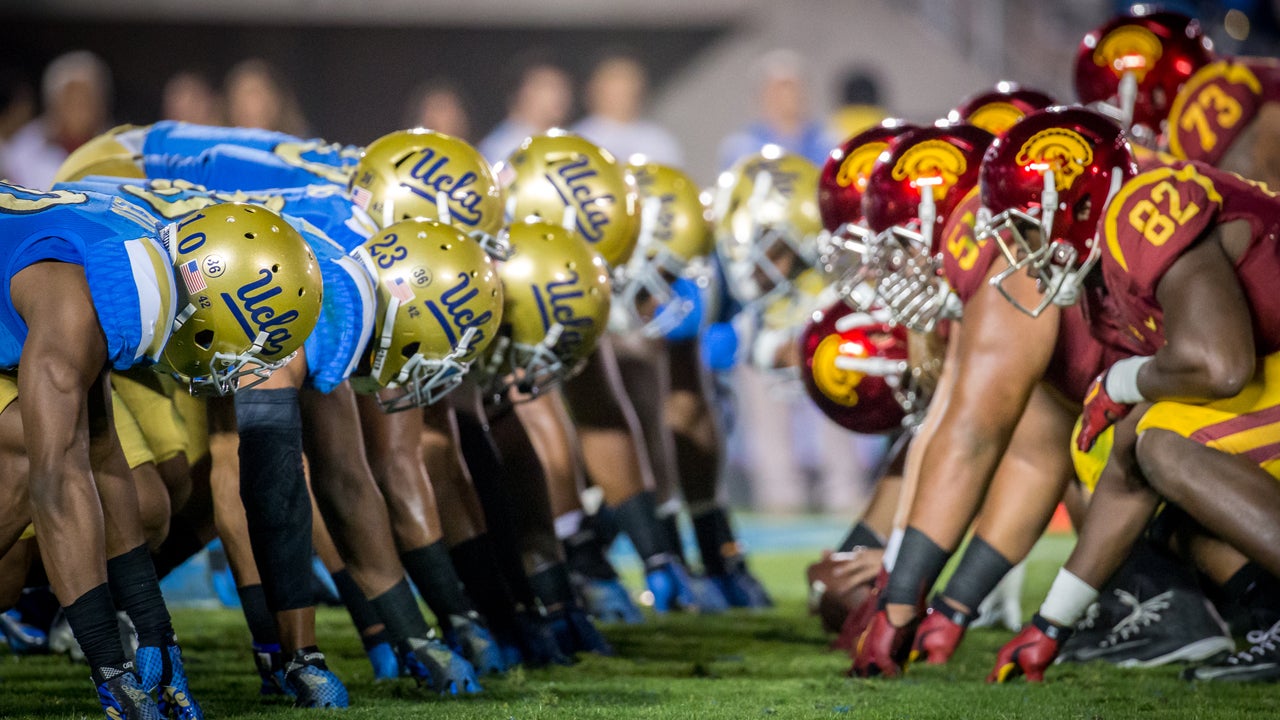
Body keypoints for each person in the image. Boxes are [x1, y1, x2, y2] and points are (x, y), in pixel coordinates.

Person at [979, 106, 1280, 683]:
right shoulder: (1106, 280)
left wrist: (1117, 382)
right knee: (1145, 447)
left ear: (1079, 204)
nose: (1021, 252)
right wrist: (1050, 625)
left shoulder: (1137, 211)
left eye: (1026, 228)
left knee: (1162, 441)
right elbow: (1126, 472)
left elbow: (1220, 367)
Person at [0, 185, 320, 719]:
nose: (234, 366)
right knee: (30, 458)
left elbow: (101, 451)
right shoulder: (76, 301)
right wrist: (111, 669)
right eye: (240, 342)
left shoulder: (131, 271)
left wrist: (155, 632)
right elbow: (59, 481)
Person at [3, 50, 112, 189]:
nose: (78, 106)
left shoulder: (118, 148)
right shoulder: (24, 148)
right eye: (70, 98)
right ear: (52, 102)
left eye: (86, 98)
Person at [718, 50, 834, 170]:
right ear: (761, 96)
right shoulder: (741, 149)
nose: (787, 96)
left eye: (793, 88)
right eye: (777, 90)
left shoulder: (828, 144)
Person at [572, 53, 681, 165]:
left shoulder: (659, 140)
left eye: (629, 81)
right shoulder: (577, 139)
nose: (623, 90)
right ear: (593, 88)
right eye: (614, 79)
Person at [478, 57, 573, 164]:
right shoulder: (499, 147)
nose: (560, 95)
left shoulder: (568, 140)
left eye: (563, 87)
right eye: (547, 86)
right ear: (520, 92)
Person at [224, 58, 308, 136]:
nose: (250, 105)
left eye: (256, 94)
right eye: (238, 98)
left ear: (277, 100)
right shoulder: (218, 148)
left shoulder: (302, 147)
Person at [403, 80, 471, 140]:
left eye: (440, 106)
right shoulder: (407, 151)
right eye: (424, 109)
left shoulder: (477, 153)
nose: (429, 115)